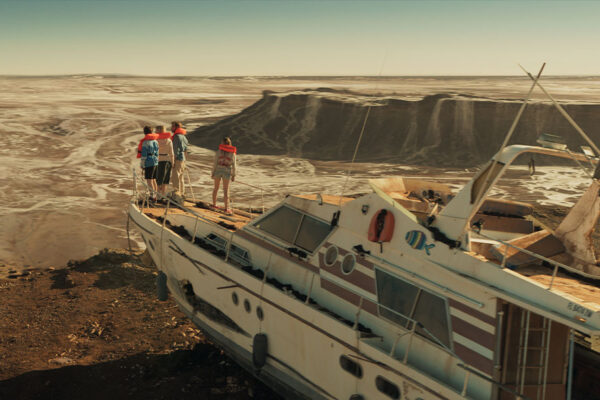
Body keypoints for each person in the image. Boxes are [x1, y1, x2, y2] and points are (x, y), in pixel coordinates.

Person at [211, 137, 237, 213]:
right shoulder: (232, 153)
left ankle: (214, 204)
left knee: (216, 188)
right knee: (226, 190)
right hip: (227, 171)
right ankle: (226, 208)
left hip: (218, 169)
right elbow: (234, 165)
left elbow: (215, 163)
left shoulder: (219, 151)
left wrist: (213, 172)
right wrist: (233, 175)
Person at [138, 126, 159, 201]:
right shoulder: (155, 141)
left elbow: (144, 155)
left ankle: (152, 196)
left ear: (144, 132)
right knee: (153, 179)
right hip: (155, 161)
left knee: (149, 180)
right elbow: (157, 152)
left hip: (148, 162)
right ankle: (155, 195)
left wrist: (142, 165)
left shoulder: (145, 142)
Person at [155, 125, 174, 199]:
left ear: (158, 131)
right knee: (165, 180)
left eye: (156, 130)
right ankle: (163, 195)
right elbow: (172, 153)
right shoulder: (169, 141)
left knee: (157, 180)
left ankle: (157, 195)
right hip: (167, 161)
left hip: (158, 161)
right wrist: (172, 163)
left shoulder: (156, 140)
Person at [171, 121, 188, 196]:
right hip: (183, 159)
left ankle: (176, 195)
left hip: (177, 159)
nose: (171, 128)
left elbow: (175, 150)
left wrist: (173, 161)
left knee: (175, 177)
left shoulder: (176, 136)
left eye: (172, 126)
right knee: (181, 178)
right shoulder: (183, 137)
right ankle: (182, 193)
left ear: (176, 127)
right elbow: (186, 149)